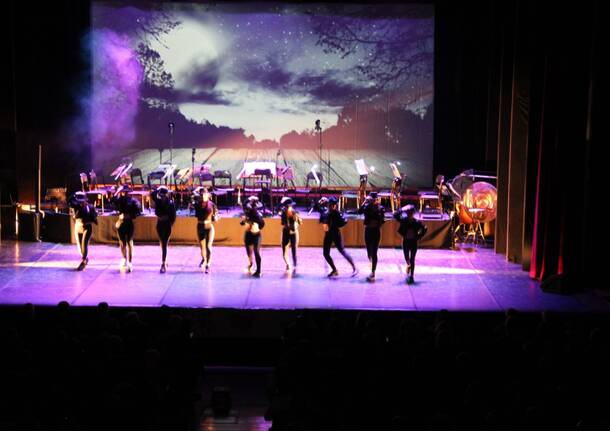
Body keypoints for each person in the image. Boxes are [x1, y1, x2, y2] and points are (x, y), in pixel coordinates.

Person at [319, 196, 357, 277]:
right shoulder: (326, 212)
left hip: (335, 234)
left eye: (331, 205)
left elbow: (343, 222)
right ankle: (334, 270)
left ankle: (354, 268)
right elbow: (321, 213)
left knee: (342, 251)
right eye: (329, 205)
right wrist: (321, 203)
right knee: (325, 253)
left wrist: (336, 219)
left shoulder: (336, 213)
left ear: (334, 205)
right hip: (328, 234)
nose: (330, 206)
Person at [394, 204, 427, 284]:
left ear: (413, 213)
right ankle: (409, 266)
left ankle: (411, 275)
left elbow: (425, 228)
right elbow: (395, 215)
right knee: (407, 257)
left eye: (411, 212)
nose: (410, 214)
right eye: (408, 212)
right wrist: (402, 209)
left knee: (412, 259)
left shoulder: (416, 222)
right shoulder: (404, 221)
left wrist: (419, 236)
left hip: (413, 242)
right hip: (406, 241)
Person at [112, 185, 141, 272]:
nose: (125, 193)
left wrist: (131, 215)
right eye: (124, 191)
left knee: (129, 242)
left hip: (129, 223)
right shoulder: (120, 199)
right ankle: (124, 258)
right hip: (121, 222)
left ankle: (130, 262)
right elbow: (113, 201)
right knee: (122, 242)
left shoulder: (133, 201)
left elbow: (138, 212)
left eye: (126, 191)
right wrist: (117, 192)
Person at [358, 192, 385, 281]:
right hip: (368, 231)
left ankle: (373, 272)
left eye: (373, 199)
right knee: (369, 252)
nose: (372, 200)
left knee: (374, 252)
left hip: (376, 231)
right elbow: (359, 211)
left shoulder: (380, 208)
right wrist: (364, 202)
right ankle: (372, 262)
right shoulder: (367, 207)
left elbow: (382, 220)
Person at [68, 191, 97, 270]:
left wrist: (90, 219)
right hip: (78, 227)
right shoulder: (76, 206)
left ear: (85, 200)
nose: (81, 202)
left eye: (82, 200)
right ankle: (85, 258)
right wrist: (74, 194)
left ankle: (83, 260)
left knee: (84, 244)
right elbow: (69, 201)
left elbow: (94, 217)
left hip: (86, 227)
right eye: (79, 201)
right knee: (80, 247)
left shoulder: (90, 207)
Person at [192, 187, 218, 273]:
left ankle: (208, 264)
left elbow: (216, 215)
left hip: (209, 227)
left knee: (208, 247)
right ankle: (204, 259)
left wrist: (216, 217)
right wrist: (197, 190)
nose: (203, 196)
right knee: (202, 247)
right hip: (200, 227)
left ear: (207, 195)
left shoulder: (211, 204)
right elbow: (192, 195)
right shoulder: (197, 204)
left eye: (205, 194)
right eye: (201, 194)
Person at [151, 186, 176, 273]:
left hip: (167, 224)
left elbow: (173, 216)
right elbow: (152, 194)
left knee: (164, 244)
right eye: (161, 195)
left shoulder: (170, 203)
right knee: (162, 243)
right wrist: (158, 189)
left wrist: (170, 224)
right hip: (160, 224)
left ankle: (163, 263)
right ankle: (165, 259)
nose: (162, 196)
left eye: (163, 195)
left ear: (166, 195)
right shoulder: (158, 201)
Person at [240, 196, 265, 277]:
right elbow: (242, 222)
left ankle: (258, 270)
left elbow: (262, 224)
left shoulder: (256, 214)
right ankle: (250, 264)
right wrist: (244, 221)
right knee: (249, 252)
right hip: (248, 234)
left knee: (256, 252)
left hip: (256, 235)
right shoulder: (247, 211)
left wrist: (255, 225)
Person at [279, 197, 301, 271]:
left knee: (294, 249)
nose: (288, 208)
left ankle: (294, 264)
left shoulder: (295, 213)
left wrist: (295, 219)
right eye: (287, 206)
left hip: (293, 232)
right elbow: (282, 223)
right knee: (285, 250)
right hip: (286, 232)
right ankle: (288, 264)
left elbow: (300, 222)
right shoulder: (284, 213)